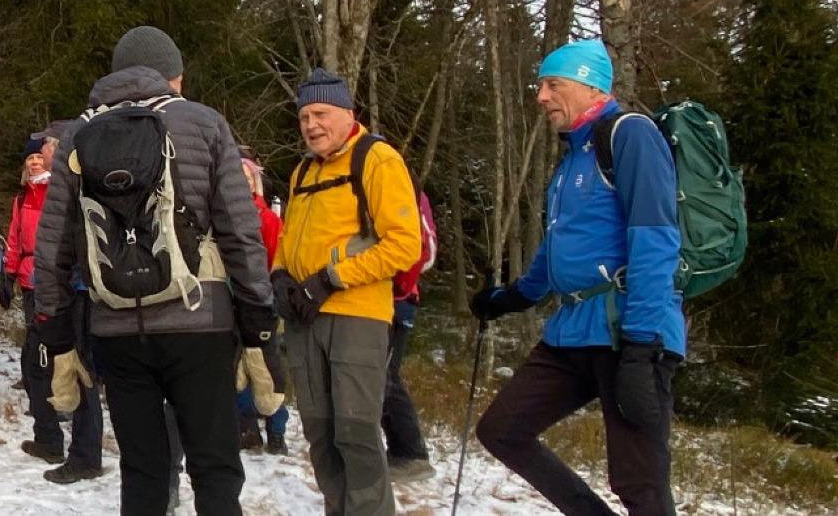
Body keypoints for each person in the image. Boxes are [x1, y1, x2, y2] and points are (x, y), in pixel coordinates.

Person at [36, 26, 279, 515]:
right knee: (214, 465)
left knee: (143, 469)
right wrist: (258, 319)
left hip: (116, 326)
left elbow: (53, 244)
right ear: (176, 77)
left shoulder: (78, 136)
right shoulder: (205, 123)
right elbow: (240, 229)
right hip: (200, 322)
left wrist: (57, 333)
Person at [472, 38, 684, 516]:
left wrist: (640, 346)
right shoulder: (572, 160)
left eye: (553, 85)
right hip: (572, 334)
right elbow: (561, 246)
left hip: (627, 330)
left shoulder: (630, 135)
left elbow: (656, 239)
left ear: (591, 87)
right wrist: (512, 297)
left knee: (640, 484)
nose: (541, 97)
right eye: (540, 86)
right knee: (502, 429)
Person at [272, 67, 422, 516]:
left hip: (357, 315)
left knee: (355, 432)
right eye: (303, 117)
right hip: (304, 318)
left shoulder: (376, 159)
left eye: (320, 114)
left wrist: (330, 279)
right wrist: (280, 275)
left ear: (347, 113)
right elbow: (288, 240)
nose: (311, 125)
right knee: (320, 432)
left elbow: (403, 244)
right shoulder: (302, 171)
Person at [18, 122, 107, 484]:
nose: (42, 154)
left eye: (47, 147)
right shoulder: (60, 186)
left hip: (79, 290)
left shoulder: (78, 184)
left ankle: (86, 455)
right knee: (51, 364)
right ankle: (54, 440)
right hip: (64, 287)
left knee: (82, 370)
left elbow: (67, 243)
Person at [235, 153, 291, 457]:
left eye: (247, 180)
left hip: (264, 305)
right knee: (238, 370)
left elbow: (276, 262)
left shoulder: (268, 219)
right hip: (232, 305)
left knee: (268, 369)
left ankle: (277, 430)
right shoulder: (222, 217)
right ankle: (248, 429)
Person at [384, 188, 438, 482]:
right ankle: (399, 451)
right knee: (375, 377)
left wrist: (399, 285)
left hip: (397, 301)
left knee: (386, 376)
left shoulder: (405, 185)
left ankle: (411, 454)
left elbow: (423, 248)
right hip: (371, 300)